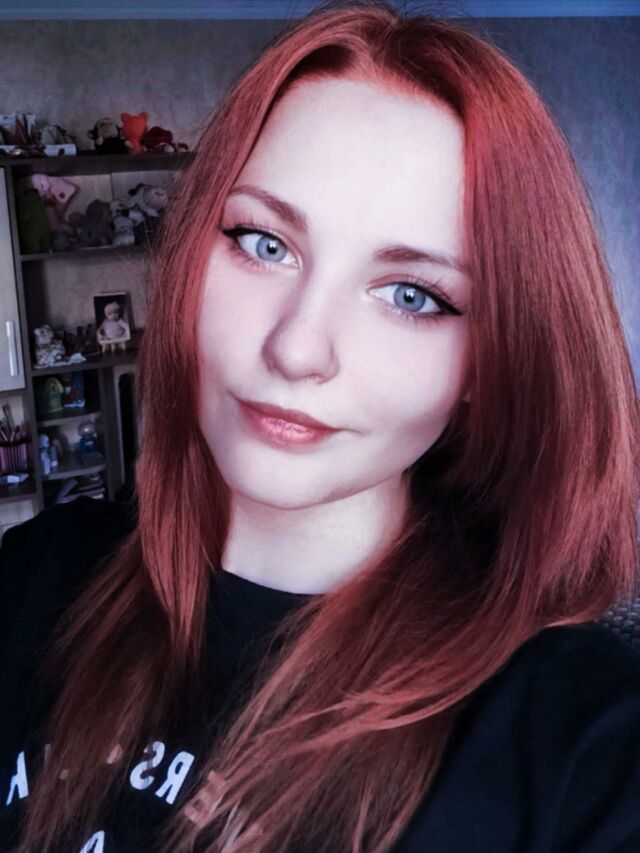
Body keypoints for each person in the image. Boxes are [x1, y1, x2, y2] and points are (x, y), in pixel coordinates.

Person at [1, 1, 639, 851]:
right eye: (263, 243)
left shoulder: (581, 745)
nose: (297, 348)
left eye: (412, 295)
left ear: (488, 365)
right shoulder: (33, 576)